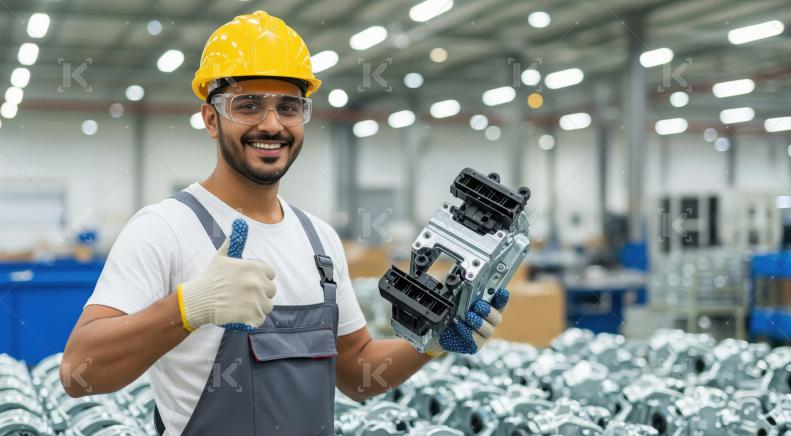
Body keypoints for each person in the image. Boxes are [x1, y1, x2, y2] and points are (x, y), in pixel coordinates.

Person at [61, 11, 509, 435]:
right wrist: (189, 308)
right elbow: (79, 372)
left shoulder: (320, 241)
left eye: (289, 107)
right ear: (211, 119)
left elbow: (357, 372)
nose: (272, 125)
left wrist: (431, 342)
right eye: (248, 105)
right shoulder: (165, 228)